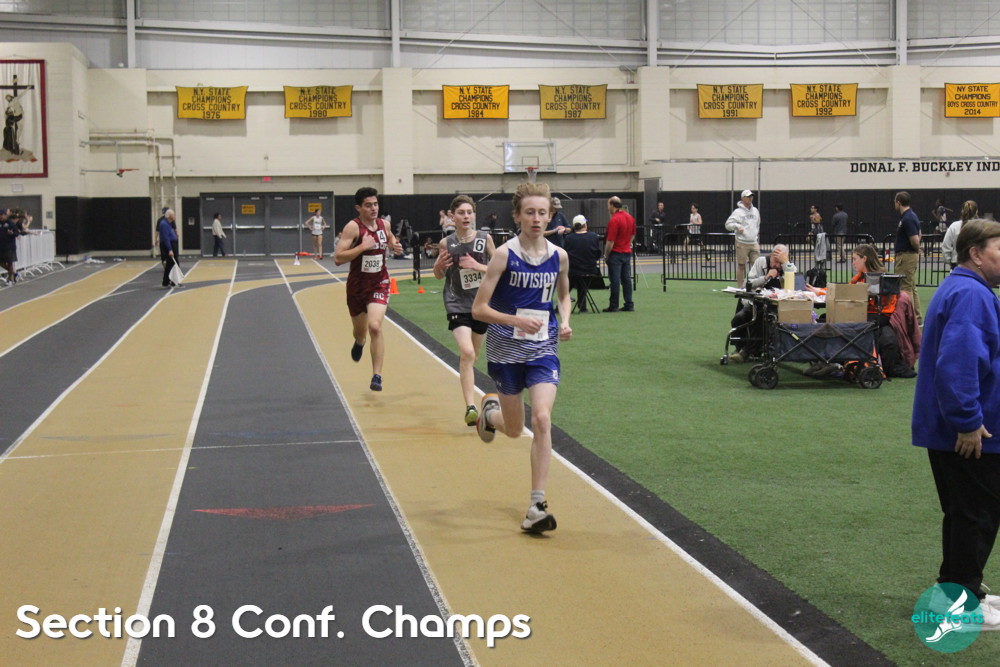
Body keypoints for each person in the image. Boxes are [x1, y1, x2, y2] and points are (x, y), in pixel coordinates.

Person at [912, 218, 1000, 629]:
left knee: (965, 512)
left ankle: (962, 590)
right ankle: (960, 603)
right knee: (975, 515)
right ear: (976, 254)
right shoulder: (970, 294)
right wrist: (967, 421)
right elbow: (960, 363)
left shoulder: (964, 288)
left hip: (959, 428)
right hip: (969, 433)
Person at [471, 181, 572, 534]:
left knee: (542, 418)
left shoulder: (559, 256)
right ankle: (490, 415)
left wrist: (566, 321)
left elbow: (563, 296)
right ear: (517, 216)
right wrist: (516, 321)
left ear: (550, 215)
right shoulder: (504, 255)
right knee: (515, 430)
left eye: (542, 213)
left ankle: (536, 506)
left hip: (543, 348)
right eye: (529, 212)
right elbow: (479, 309)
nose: (536, 219)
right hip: (506, 351)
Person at [432, 194, 496, 426]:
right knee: (467, 353)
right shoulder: (446, 243)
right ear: (452, 217)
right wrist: (438, 266)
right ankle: (470, 407)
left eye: (469, 212)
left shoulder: (484, 239)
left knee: (472, 357)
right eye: (461, 213)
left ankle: (466, 375)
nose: (466, 216)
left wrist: (477, 266)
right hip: (456, 302)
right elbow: (439, 275)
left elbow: (499, 269)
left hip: (480, 304)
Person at [333, 187, 403, 392]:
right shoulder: (353, 228)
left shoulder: (384, 224)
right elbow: (338, 258)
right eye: (368, 205)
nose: (373, 209)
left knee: (375, 326)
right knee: (360, 331)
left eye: (376, 204)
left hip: (379, 283)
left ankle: (377, 376)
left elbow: (390, 238)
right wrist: (362, 247)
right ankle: (359, 341)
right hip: (357, 287)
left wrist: (395, 245)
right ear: (359, 208)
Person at [847, 244, 918, 378]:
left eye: (855, 259)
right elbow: (847, 291)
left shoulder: (883, 279)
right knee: (886, 336)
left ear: (864, 259)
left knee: (883, 335)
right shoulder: (861, 277)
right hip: (875, 316)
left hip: (881, 315)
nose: (853, 263)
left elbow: (887, 308)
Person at [728, 244, 796, 363]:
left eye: (780, 262)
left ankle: (746, 352)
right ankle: (739, 348)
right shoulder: (761, 262)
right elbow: (748, 283)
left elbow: (796, 281)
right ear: (771, 256)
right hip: (755, 303)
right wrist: (766, 277)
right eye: (775, 261)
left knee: (761, 320)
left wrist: (785, 263)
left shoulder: (789, 267)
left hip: (775, 307)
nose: (777, 265)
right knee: (738, 319)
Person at [602, 196, 636, 312]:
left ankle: (614, 305)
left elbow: (610, 241)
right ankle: (629, 303)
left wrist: (606, 255)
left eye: (608, 205)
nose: (607, 208)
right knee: (626, 279)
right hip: (626, 252)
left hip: (616, 253)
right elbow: (633, 234)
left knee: (615, 280)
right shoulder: (630, 217)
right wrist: (628, 244)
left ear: (612, 205)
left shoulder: (614, 220)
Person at [562, 214, 602, 312]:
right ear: (584, 225)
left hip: (573, 270)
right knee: (583, 282)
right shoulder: (593, 236)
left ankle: (562, 304)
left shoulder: (568, 238)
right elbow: (597, 254)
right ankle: (582, 305)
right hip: (590, 269)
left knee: (569, 282)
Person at [893, 191, 923, 323]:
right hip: (909, 255)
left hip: (906, 256)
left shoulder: (908, 218)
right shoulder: (911, 216)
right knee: (911, 286)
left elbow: (915, 239)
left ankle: (908, 318)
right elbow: (919, 233)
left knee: (905, 288)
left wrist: (916, 248)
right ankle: (916, 317)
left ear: (898, 202)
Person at [725, 189, 761, 287]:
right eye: (748, 196)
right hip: (742, 242)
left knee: (756, 266)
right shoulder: (738, 212)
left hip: (753, 242)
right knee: (741, 265)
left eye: (751, 196)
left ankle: (755, 286)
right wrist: (737, 226)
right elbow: (728, 224)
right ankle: (740, 287)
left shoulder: (755, 211)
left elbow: (758, 224)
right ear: (743, 198)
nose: (750, 198)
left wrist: (755, 236)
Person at [941, 200, 980, 270]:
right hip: (975, 265)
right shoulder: (980, 227)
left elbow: (945, 246)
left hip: (956, 264)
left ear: (962, 211)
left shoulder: (954, 226)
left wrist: (950, 261)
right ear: (976, 212)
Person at [157, 208, 179, 288]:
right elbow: (166, 238)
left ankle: (166, 282)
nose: (175, 216)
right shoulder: (164, 224)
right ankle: (173, 282)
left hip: (172, 244)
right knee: (174, 264)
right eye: (173, 214)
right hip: (170, 245)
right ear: (169, 216)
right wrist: (170, 249)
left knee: (170, 264)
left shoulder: (168, 223)